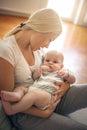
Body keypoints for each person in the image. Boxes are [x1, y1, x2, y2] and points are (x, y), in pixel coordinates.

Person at [0, 8, 87, 130]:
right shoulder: (6, 51)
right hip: (27, 111)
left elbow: (52, 72)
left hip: (50, 96)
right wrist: (45, 112)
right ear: (40, 28)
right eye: (50, 39)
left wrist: (66, 85)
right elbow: (7, 101)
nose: (47, 46)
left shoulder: (37, 48)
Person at [0, 50, 76, 115]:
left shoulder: (62, 72)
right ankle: (17, 95)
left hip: (47, 95)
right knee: (21, 88)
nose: (50, 63)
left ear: (61, 66)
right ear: (43, 62)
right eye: (47, 60)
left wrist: (67, 76)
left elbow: (73, 80)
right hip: (32, 89)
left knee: (33, 95)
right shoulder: (43, 70)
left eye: (55, 62)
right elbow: (34, 77)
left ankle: (12, 109)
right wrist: (39, 71)